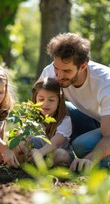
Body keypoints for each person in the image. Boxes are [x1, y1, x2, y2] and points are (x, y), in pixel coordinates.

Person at [40, 32, 110, 172]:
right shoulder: (51, 72)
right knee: (57, 107)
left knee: (81, 145)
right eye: (56, 68)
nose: (59, 75)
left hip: (107, 126)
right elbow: (34, 110)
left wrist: (90, 159)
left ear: (83, 66)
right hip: (93, 119)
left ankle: (83, 162)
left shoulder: (105, 82)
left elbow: (109, 135)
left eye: (66, 71)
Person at [14, 77, 74, 167]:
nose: (45, 104)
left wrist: (39, 153)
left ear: (59, 101)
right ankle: (23, 168)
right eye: (41, 99)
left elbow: (55, 143)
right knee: (19, 142)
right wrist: (27, 149)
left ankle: (54, 170)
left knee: (59, 155)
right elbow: (22, 135)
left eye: (51, 100)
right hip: (37, 153)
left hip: (54, 154)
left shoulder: (64, 120)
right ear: (35, 99)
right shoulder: (31, 118)